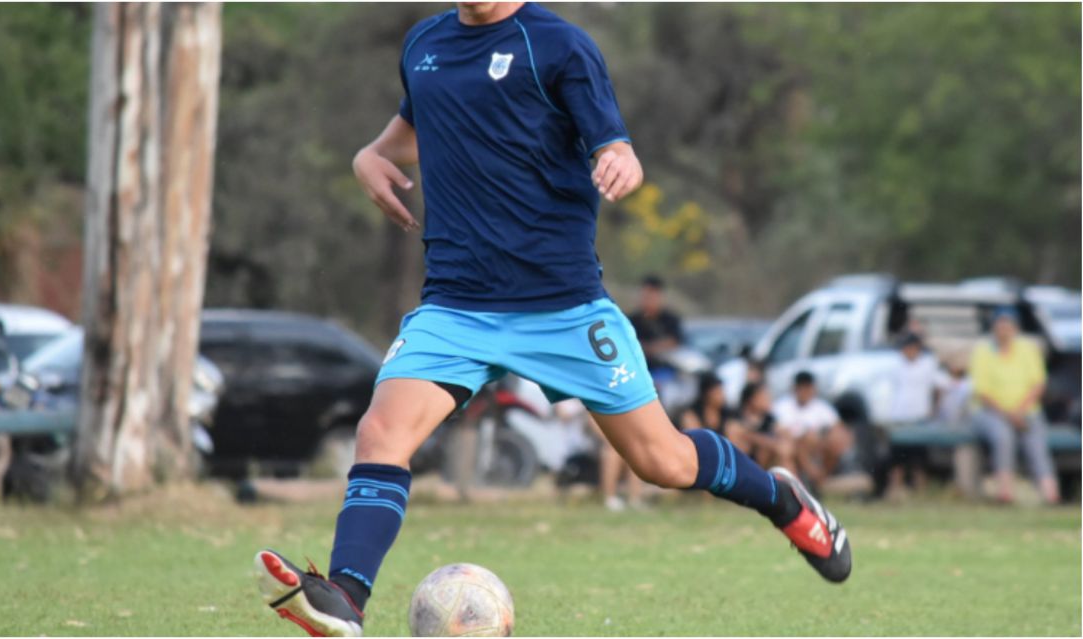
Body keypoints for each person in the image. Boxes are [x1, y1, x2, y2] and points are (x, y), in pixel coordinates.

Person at [253, 4, 851, 636]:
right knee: (380, 433)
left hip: (561, 307)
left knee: (663, 462)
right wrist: (369, 157)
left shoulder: (559, 46)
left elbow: (614, 143)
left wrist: (620, 159)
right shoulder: (424, 43)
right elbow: (415, 128)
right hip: (455, 305)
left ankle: (782, 498)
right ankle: (345, 597)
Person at [969, 308, 1059, 504]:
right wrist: (1008, 415)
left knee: (1036, 443)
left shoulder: (1027, 348)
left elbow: (1038, 383)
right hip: (991, 411)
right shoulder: (983, 351)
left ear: (1016, 328)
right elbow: (981, 391)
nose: (1004, 330)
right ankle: (1005, 492)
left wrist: (1019, 411)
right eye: (1000, 325)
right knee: (1002, 437)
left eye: (1008, 325)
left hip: (1026, 410)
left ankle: (1050, 494)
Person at [880, 333, 948, 498]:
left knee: (919, 459)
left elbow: (941, 385)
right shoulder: (894, 365)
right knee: (897, 459)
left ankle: (921, 493)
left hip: (919, 419)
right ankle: (895, 492)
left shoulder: (927, 365)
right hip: (899, 418)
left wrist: (935, 409)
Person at [772, 371, 853, 490]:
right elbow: (778, 430)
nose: (804, 392)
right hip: (792, 447)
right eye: (802, 388)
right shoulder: (781, 406)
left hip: (816, 449)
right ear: (795, 389)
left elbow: (838, 429)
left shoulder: (822, 408)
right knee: (792, 447)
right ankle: (810, 481)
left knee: (828, 442)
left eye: (807, 388)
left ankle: (818, 479)